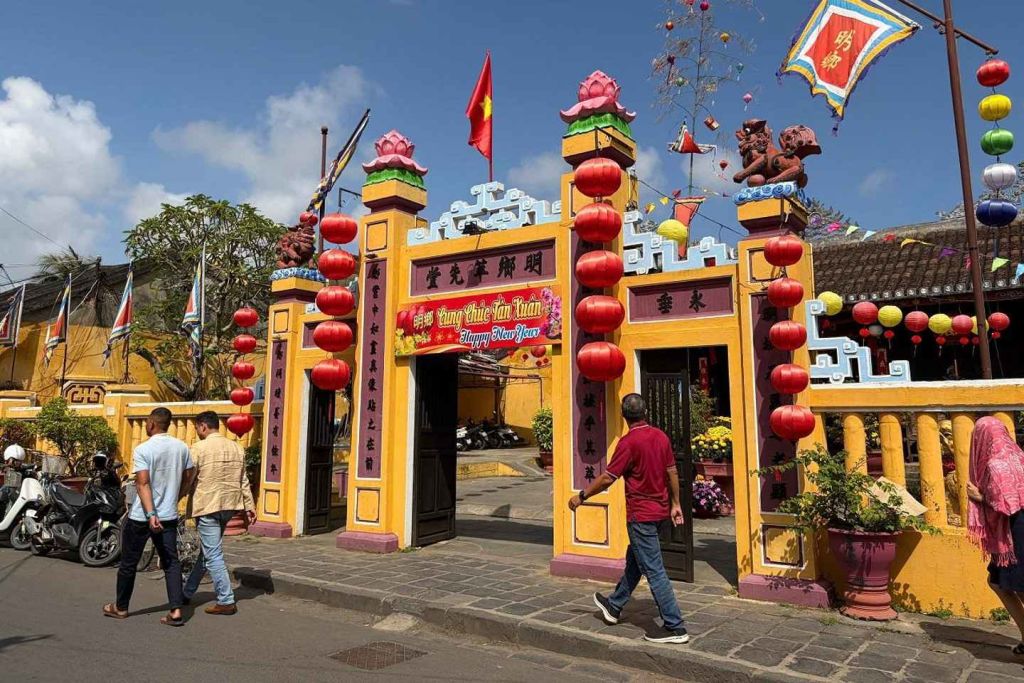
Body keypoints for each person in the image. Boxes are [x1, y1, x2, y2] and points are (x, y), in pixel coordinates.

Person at [568, 393, 688, 644]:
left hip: (641, 515)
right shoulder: (660, 437)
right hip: (660, 512)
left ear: (624, 416)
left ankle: (675, 627)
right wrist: (676, 503)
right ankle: (614, 606)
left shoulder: (628, 443)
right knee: (636, 561)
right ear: (645, 412)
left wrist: (582, 496)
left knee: (654, 570)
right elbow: (672, 471)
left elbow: (608, 478)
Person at [104, 407, 194, 626]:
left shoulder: (144, 449)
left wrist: (151, 513)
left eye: (147, 422)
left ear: (152, 423)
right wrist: (175, 497)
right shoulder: (182, 448)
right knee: (171, 562)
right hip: (169, 516)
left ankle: (121, 607)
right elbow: (189, 477)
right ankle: (176, 610)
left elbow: (142, 483)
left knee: (129, 562)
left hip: (142, 517)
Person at [182, 411, 256, 615]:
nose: (197, 432)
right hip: (230, 505)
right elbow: (243, 480)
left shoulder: (198, 448)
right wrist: (249, 505)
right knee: (207, 552)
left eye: (197, 428)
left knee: (212, 553)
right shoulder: (236, 447)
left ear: (203, 426)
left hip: (207, 505)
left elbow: (189, 478)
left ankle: (226, 599)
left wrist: (178, 496)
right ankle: (187, 592)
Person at [967, 416, 1024, 655]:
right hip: (1016, 527)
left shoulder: (995, 465)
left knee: (1008, 584)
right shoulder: (1019, 456)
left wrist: (979, 497)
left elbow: (1006, 504)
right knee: (1007, 583)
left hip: (1014, 531)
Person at [1, 444, 28, 515]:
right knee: (4, 492)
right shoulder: (5, 469)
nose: (17, 463)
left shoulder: (23, 471)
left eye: (19, 461)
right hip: (6, 498)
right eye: (15, 460)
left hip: (18, 498)